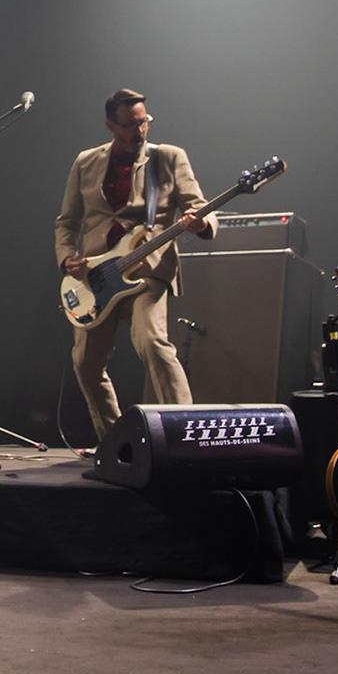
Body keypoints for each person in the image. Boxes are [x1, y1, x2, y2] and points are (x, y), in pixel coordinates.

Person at [55, 87, 214, 446]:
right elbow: (67, 222)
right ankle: (115, 444)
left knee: (153, 344)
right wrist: (67, 258)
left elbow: (200, 206)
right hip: (95, 276)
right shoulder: (86, 161)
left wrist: (201, 223)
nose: (140, 131)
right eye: (130, 125)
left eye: (144, 122)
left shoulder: (168, 157)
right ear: (111, 125)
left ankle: (186, 435)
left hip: (147, 271)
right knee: (85, 363)